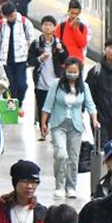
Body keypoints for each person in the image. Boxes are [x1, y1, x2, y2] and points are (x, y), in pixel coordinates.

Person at [39, 57, 98, 200]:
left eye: (75, 71)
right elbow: (47, 105)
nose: (72, 74)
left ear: (79, 72)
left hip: (76, 126)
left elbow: (90, 105)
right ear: (65, 71)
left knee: (73, 158)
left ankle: (71, 187)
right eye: (69, 71)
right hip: (58, 124)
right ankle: (59, 185)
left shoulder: (84, 87)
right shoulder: (56, 85)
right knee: (60, 154)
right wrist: (43, 123)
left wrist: (94, 120)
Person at [0, 2, 35, 109]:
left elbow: (31, 39)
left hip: (21, 60)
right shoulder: (1, 24)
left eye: (11, 15)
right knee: (9, 85)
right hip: (5, 60)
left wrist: (26, 52)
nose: (10, 18)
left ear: (15, 11)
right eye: (7, 17)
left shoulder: (25, 22)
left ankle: (18, 102)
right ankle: (11, 108)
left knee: (22, 84)